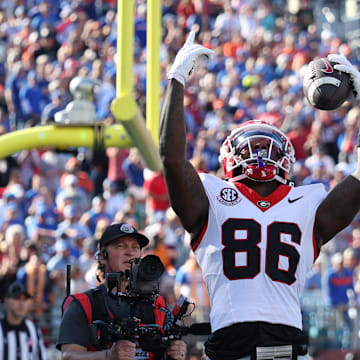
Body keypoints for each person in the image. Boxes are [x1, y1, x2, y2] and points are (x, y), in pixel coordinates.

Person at [159, 31, 360, 360]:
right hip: (238, 336)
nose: (262, 156)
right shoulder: (212, 194)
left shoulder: (308, 201)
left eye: (268, 148)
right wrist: (176, 78)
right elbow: (172, 158)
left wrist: (178, 80)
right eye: (253, 147)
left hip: (272, 338)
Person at [57, 222, 187, 360]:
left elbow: (169, 347)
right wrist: (108, 356)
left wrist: (175, 352)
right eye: (121, 246)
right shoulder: (83, 304)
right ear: (102, 257)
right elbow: (69, 356)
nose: (130, 252)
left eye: (135, 247)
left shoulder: (157, 304)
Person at [0, 281, 48, 360]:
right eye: (16, 298)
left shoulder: (33, 329)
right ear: (6, 300)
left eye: (25, 299)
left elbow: (42, 356)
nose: (21, 303)